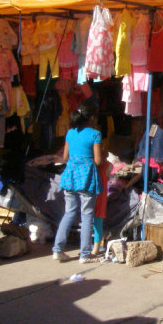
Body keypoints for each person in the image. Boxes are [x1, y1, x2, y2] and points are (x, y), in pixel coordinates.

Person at [52, 100, 104, 264]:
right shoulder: (95, 134)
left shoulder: (70, 133)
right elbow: (97, 161)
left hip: (70, 176)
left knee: (69, 213)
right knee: (87, 214)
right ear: (93, 117)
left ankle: (58, 250)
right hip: (87, 178)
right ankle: (84, 254)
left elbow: (65, 157)